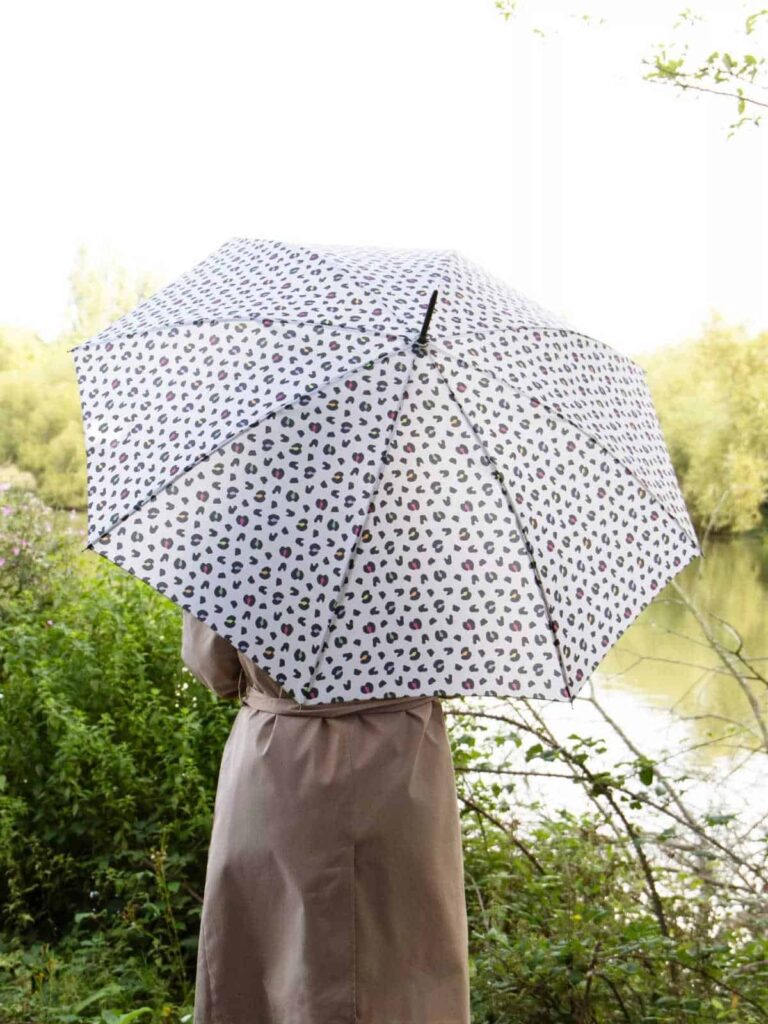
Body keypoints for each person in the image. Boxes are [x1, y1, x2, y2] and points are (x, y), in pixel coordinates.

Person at [181, 608, 471, 1024]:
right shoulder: (436, 544)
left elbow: (214, 669)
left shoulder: (243, 545)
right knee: (406, 967)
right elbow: (462, 656)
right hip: (403, 765)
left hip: (280, 761)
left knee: (274, 966)